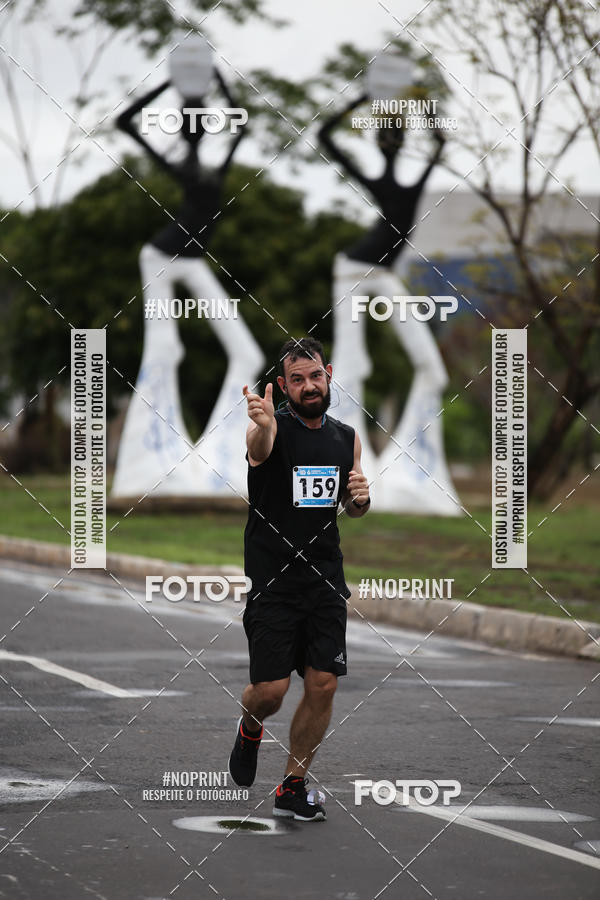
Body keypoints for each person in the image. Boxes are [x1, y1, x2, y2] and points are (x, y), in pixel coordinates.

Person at [228, 337, 370, 822]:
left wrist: (360, 500)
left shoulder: (346, 435)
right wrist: (263, 426)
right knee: (269, 693)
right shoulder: (270, 430)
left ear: (327, 374)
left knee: (324, 684)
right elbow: (259, 448)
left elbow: (348, 504)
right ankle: (250, 726)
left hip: (325, 582)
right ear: (283, 386)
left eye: (315, 376)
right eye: (297, 380)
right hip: (273, 584)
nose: (309, 386)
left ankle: (293, 785)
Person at [112, 69, 264, 498]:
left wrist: (212, 83)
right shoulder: (182, 168)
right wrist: (169, 85)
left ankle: (216, 463)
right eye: (188, 120)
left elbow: (243, 121)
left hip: (193, 262)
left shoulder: (216, 167)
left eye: (203, 119)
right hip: (161, 258)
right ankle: (152, 464)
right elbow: (126, 122)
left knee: (247, 353)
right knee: (164, 350)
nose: (197, 127)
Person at [317, 95, 457, 514]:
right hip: (351, 273)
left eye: (398, 138)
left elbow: (440, 146)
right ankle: (342, 476)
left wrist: (425, 112)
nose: (393, 143)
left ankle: (412, 472)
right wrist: (362, 98)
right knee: (350, 368)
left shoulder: (412, 183)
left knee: (433, 369)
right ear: (381, 145)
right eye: (389, 138)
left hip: (383, 276)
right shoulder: (381, 182)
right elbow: (325, 136)